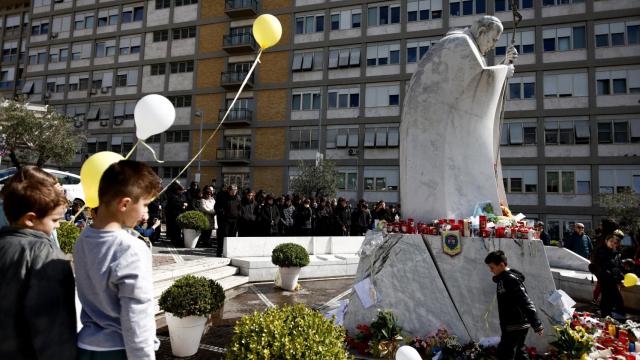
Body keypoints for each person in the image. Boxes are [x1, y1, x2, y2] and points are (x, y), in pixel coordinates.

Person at [401, 16, 518, 221]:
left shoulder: (466, 45)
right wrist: (503, 71)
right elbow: (474, 84)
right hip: (434, 132)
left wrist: (503, 65)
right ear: (481, 32)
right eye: (492, 40)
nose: (492, 46)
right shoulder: (460, 44)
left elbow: (472, 85)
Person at [74, 160, 161, 359]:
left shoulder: (83, 239)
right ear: (124, 204)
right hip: (119, 351)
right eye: (145, 205)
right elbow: (137, 315)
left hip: (85, 346)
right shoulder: (131, 248)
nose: (145, 213)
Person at [0, 166, 77, 360]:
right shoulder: (47, 255)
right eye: (55, 220)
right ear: (30, 219)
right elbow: (53, 330)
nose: (59, 225)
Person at [484, 250, 543, 360]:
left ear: (501, 265)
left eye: (492, 267)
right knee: (519, 353)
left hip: (515, 324)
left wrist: (536, 323)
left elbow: (525, 301)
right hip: (513, 324)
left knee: (505, 354)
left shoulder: (510, 280)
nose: (491, 270)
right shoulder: (504, 278)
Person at [591, 234, 625, 318]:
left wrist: (621, 275)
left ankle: (610, 316)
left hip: (613, 279)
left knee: (614, 298)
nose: (613, 243)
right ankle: (606, 316)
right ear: (606, 241)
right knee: (608, 297)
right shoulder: (601, 251)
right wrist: (606, 273)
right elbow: (597, 265)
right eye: (611, 241)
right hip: (605, 279)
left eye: (615, 242)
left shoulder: (615, 252)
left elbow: (618, 265)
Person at [165, 182, 187, 247]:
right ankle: (175, 241)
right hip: (174, 215)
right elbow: (174, 204)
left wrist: (184, 204)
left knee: (179, 229)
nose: (182, 192)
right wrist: (182, 205)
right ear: (177, 190)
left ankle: (177, 240)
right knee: (175, 229)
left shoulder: (182, 195)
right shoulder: (173, 196)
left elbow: (184, 200)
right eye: (181, 190)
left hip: (180, 213)